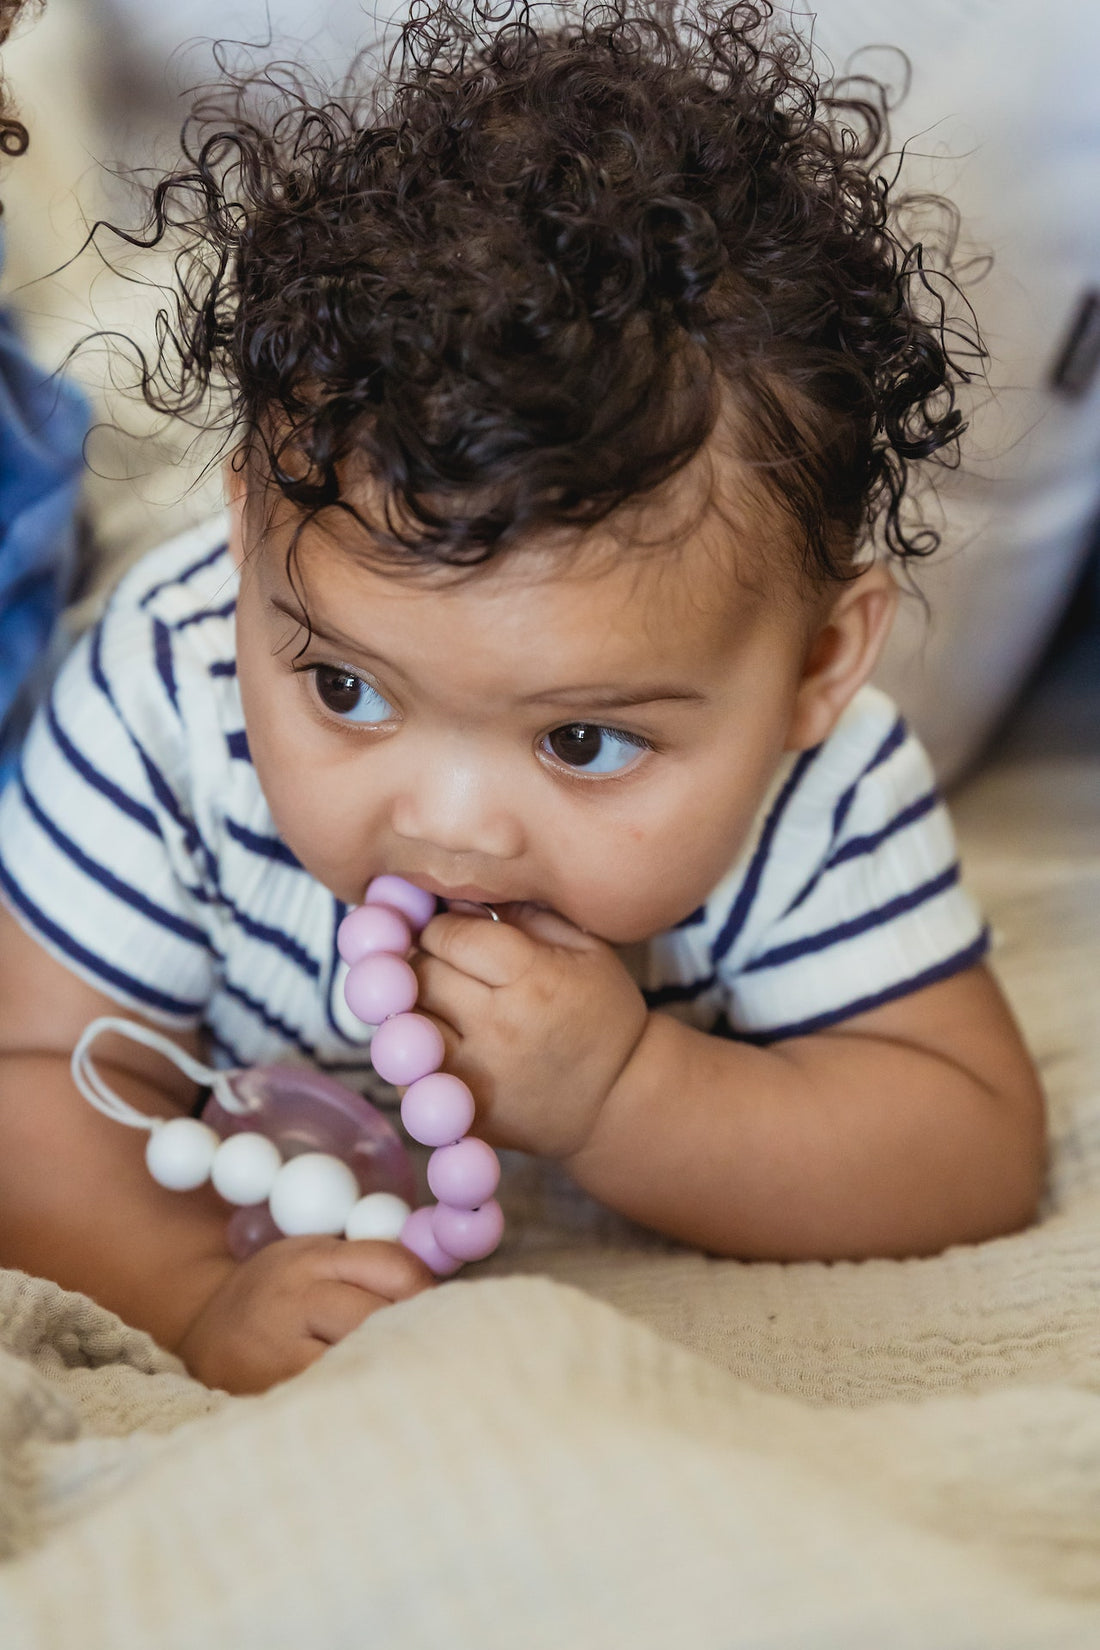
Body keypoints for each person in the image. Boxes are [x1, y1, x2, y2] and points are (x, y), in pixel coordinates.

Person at [0, 0, 1046, 1394]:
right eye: (345, 688)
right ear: (251, 544)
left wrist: (629, 1097)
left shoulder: (818, 792)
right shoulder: (169, 692)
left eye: (582, 737)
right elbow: (35, 1082)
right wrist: (195, 1294)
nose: (447, 824)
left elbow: (969, 1145)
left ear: (814, 667)